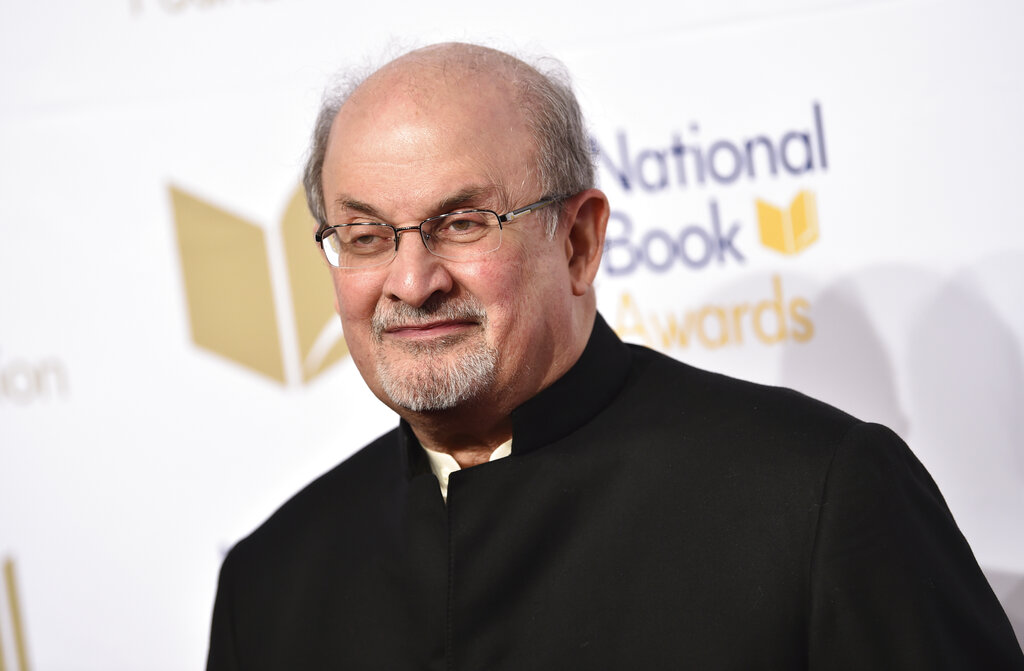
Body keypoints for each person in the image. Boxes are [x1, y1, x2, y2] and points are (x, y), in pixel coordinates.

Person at [206, 43, 1024, 670]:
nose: (412, 281)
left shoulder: (818, 496)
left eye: (461, 223)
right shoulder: (271, 581)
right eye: (365, 235)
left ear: (579, 240)